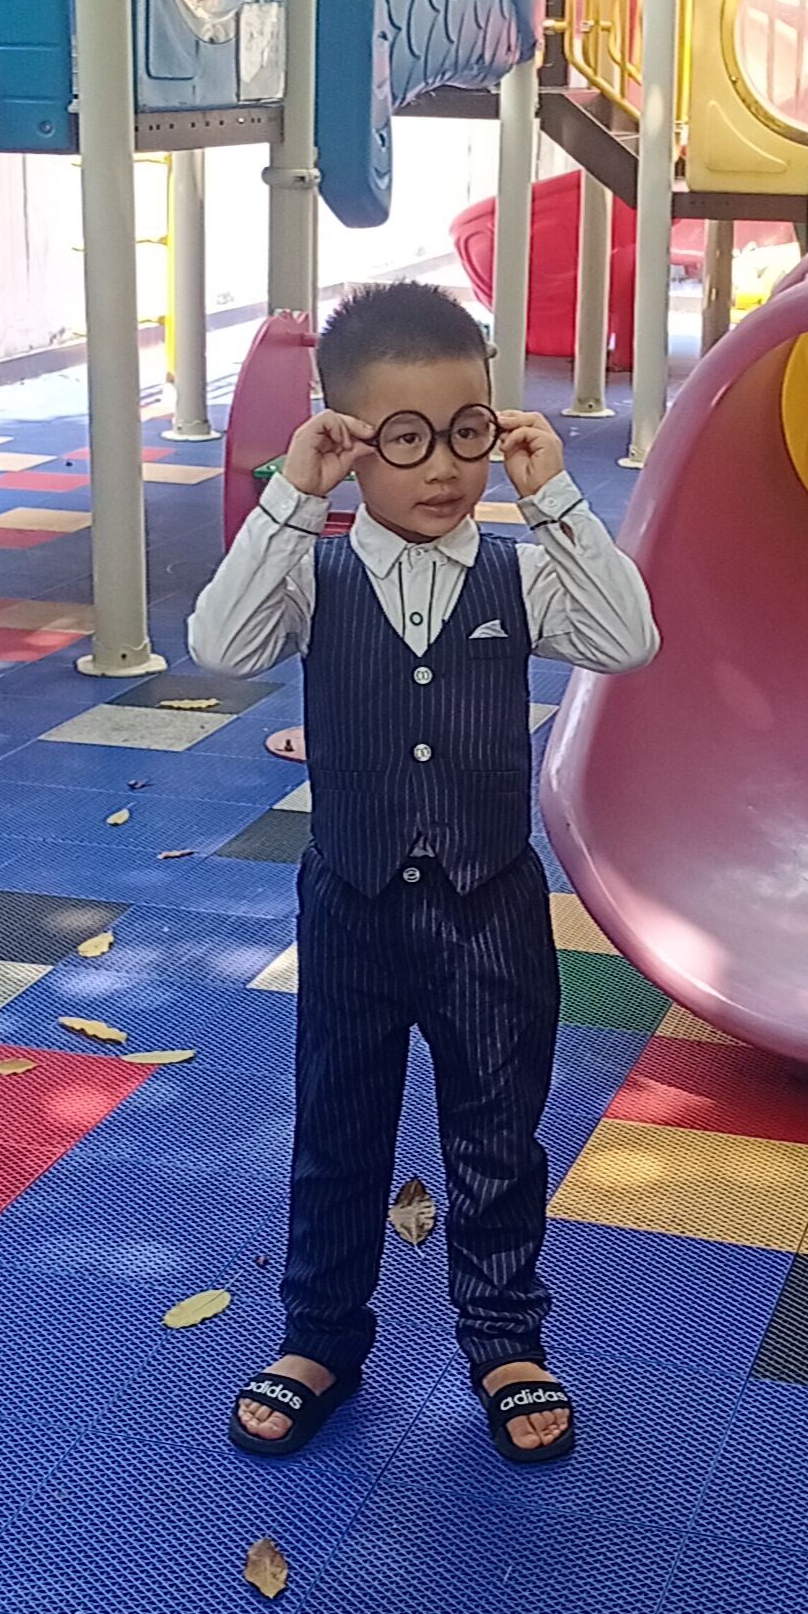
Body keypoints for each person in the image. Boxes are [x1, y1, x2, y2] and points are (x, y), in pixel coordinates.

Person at [189, 282, 658, 1466]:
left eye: (467, 430)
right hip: (351, 905)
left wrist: (553, 496)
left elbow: (630, 638)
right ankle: (320, 1335)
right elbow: (219, 644)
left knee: (498, 1134)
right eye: (403, 438)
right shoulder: (315, 576)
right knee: (337, 1127)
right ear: (348, 439)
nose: (443, 465)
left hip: (489, 907)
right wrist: (293, 497)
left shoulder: (519, 572)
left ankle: (503, 1337)